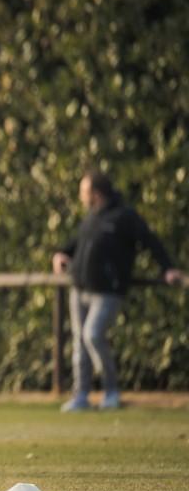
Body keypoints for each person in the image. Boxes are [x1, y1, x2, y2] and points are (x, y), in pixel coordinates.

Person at [52, 171, 182, 412]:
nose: (81, 196)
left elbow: (150, 241)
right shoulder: (92, 218)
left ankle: (111, 391)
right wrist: (62, 253)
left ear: (96, 193)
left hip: (107, 291)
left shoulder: (124, 217)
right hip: (80, 289)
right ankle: (81, 395)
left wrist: (168, 268)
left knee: (92, 335)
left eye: (84, 191)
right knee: (80, 344)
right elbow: (76, 243)